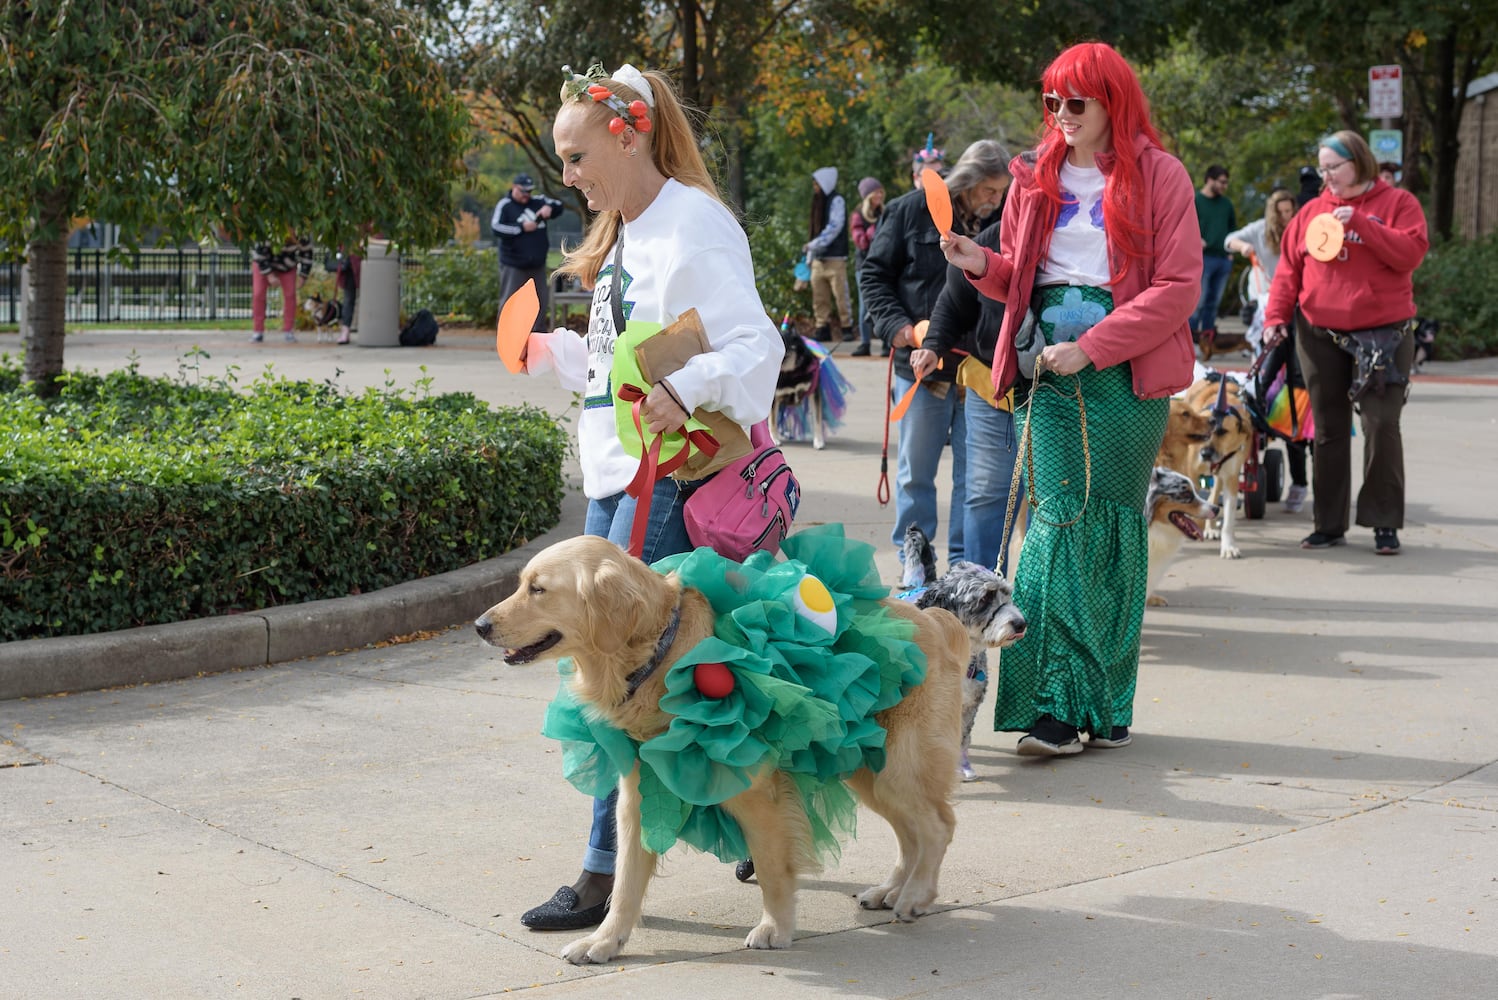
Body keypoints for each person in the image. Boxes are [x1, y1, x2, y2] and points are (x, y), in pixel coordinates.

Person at [516, 62, 782, 931]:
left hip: (663, 482)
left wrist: (692, 385)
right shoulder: (632, 230)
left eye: (576, 154)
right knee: (648, 677)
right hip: (620, 480)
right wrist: (555, 355)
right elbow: (624, 365)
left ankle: (603, 869)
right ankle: (745, 820)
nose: (568, 176)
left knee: (623, 676)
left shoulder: (693, 223)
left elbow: (755, 343)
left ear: (627, 133)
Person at [940, 41, 1199, 756]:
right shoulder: (1032, 176)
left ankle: (1105, 703)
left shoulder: (1161, 175)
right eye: (1050, 101)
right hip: (1046, 373)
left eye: (1075, 102)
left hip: (1127, 375)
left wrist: (1096, 344)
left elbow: (1179, 288)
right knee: (1057, 522)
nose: (1060, 115)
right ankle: (1051, 704)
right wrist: (981, 266)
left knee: (1114, 531)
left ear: (1112, 102)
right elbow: (1022, 278)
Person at [1262, 130, 1429, 555]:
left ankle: (1383, 522)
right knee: (1329, 429)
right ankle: (1329, 524)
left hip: (1383, 337)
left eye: (1333, 167)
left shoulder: (1398, 205)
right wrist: (1275, 319)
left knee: (1380, 423)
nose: (1327, 176)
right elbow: (1287, 272)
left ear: (1359, 162)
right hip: (1320, 335)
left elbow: (1409, 254)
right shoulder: (1312, 212)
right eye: (1322, 168)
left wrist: (1363, 226)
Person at [863, 138, 1010, 577]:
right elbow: (873, 276)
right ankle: (914, 566)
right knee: (914, 475)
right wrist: (902, 330)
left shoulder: (1005, 220)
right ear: (966, 181)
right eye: (988, 190)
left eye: (1001, 194)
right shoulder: (909, 210)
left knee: (977, 484)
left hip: (981, 374)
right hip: (921, 367)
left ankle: (965, 574)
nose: (994, 201)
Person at [910, 141, 1020, 575]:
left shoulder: (1062, 247)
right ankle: (981, 596)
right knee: (984, 493)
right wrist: (932, 347)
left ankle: (1034, 602)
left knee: (1048, 503)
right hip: (989, 390)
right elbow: (952, 305)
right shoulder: (988, 241)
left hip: (1052, 395)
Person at [1226, 188, 1308, 512]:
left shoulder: (1302, 230)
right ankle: (1256, 395)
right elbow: (1229, 239)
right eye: (1282, 212)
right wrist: (1245, 246)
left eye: (1292, 211)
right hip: (1267, 309)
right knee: (1268, 375)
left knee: (1293, 405)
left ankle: (1300, 481)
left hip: (1295, 312)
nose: (1287, 217)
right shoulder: (1261, 231)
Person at [491, 173, 566, 332]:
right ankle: (507, 335)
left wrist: (549, 208)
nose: (526, 195)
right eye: (523, 191)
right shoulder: (505, 205)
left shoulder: (538, 201)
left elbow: (559, 205)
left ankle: (536, 336)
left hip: (537, 264)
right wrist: (521, 228)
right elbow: (496, 227)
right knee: (510, 301)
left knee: (539, 301)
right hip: (513, 264)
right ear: (514, 188)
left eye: (529, 191)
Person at [804, 167, 854, 341]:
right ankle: (821, 327)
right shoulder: (817, 202)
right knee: (819, 296)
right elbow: (814, 231)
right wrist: (810, 256)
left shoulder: (836, 200)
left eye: (816, 183)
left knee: (841, 295)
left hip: (835, 258)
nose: (814, 187)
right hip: (818, 259)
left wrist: (814, 244)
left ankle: (847, 327)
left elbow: (835, 226)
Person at [1189, 164, 1236, 345]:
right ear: (1210, 180)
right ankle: (1191, 338)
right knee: (1198, 300)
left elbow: (1233, 228)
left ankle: (1207, 339)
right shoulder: (1196, 201)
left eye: (1226, 182)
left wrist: (1230, 253)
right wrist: (1196, 239)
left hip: (1223, 259)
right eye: (1222, 182)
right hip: (1203, 258)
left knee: (1213, 302)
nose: (1225, 186)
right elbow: (1184, 226)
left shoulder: (1226, 204)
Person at [248, 236, 313, 343]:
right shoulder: (268, 229)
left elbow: (307, 252)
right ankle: (258, 331)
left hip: (287, 266)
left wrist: (303, 275)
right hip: (263, 263)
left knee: (290, 295)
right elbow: (259, 253)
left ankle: (288, 331)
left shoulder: (300, 231)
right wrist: (269, 275)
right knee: (258, 294)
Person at [849, 176, 884, 356]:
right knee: (865, 305)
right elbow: (861, 242)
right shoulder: (858, 215)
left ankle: (887, 342)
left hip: (883, 264)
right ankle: (865, 343)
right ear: (867, 195)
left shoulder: (884, 213)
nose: (879, 195)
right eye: (876, 192)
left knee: (884, 301)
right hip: (864, 266)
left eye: (880, 192)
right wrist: (874, 230)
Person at [331, 249, 361, 346]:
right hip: (349, 267)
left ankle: (346, 331)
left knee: (352, 300)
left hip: (363, 265)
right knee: (348, 300)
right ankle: (345, 330)